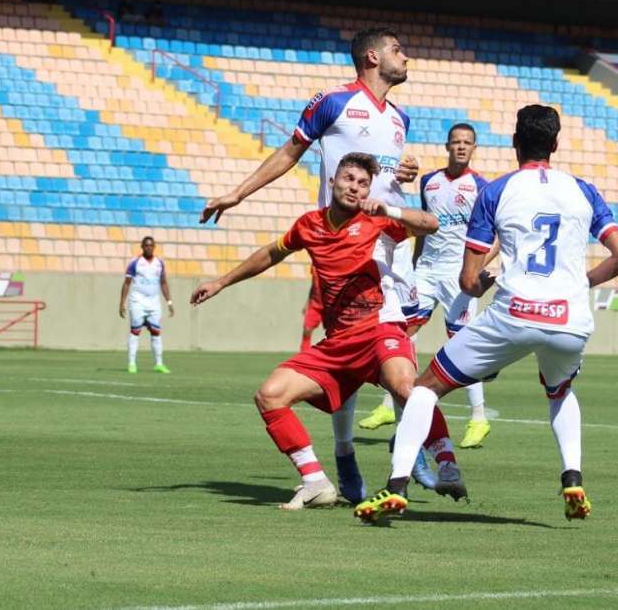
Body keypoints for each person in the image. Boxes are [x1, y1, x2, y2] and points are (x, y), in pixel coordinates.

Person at [355, 105, 618, 523]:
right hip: (570, 320)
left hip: (514, 314)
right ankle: (572, 478)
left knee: (425, 388)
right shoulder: (585, 190)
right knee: (559, 392)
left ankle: (396, 485)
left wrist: (486, 278)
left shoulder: (497, 191)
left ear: (514, 143)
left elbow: (469, 282)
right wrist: (577, 286)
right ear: (555, 145)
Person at [199, 27, 419, 504]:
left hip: (392, 248)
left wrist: (406, 170)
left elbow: (390, 176)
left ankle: (416, 455)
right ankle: (345, 453)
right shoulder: (333, 101)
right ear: (371, 56)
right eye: (398, 50)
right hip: (343, 246)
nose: (407, 57)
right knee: (353, 350)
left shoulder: (401, 117)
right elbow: (290, 151)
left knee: (395, 362)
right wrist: (238, 192)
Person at [191, 153, 466, 510]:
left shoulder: (375, 221)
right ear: (333, 180)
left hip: (379, 327)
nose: (354, 187)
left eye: (362, 183)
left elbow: (431, 223)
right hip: (337, 342)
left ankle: (447, 464)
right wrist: (222, 282)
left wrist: (389, 211)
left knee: (408, 390)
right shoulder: (310, 225)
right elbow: (271, 254)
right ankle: (315, 482)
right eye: (349, 179)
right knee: (270, 395)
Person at [360, 123, 496, 450]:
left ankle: (479, 417)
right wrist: (416, 265)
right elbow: (422, 228)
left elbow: (496, 238)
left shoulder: (482, 187)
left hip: (457, 274)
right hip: (426, 271)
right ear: (447, 146)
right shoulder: (429, 182)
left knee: (462, 344)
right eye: (456, 142)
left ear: (474, 148)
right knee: (402, 333)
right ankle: (388, 407)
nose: (461, 147)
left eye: (467, 143)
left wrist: (476, 269)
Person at [119, 237, 174, 374]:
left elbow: (163, 283)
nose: (149, 248)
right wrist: (122, 303)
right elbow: (127, 283)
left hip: (154, 302)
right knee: (135, 331)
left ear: (154, 247)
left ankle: (159, 364)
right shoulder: (135, 263)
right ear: (142, 247)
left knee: (156, 332)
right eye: (146, 245)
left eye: (151, 245)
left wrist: (169, 302)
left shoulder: (159, 263)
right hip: (137, 301)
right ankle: (132, 363)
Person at [299, 271, 323, 352]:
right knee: (307, 330)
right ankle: (304, 354)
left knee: (335, 334)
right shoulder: (315, 265)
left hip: (330, 304)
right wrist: (307, 304)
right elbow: (314, 285)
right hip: (315, 304)